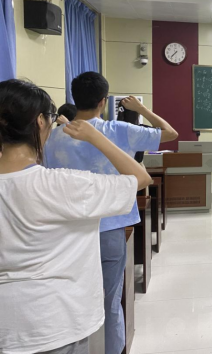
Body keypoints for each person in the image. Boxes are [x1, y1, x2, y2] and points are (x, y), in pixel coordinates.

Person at [0, 79, 151, 354]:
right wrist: (96, 136)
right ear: (40, 122)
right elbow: (140, 178)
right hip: (57, 321)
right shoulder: (64, 185)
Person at [44, 72, 178, 354]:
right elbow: (170, 133)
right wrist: (140, 109)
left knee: (71, 302)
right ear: (103, 101)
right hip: (110, 228)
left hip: (66, 232)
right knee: (110, 302)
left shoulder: (52, 137)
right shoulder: (118, 130)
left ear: (74, 98)